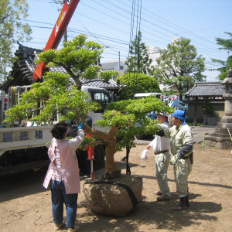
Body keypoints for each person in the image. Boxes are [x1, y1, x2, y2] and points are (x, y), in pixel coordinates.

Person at [43, 121, 85, 232]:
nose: (69, 131)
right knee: (70, 203)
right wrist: (80, 129)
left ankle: (58, 224)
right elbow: (80, 138)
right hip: (67, 179)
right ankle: (70, 227)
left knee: (56, 202)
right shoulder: (70, 144)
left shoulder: (53, 142)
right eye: (67, 130)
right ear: (65, 134)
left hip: (54, 179)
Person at [156, 110, 193, 211]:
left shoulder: (186, 129)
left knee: (181, 181)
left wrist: (178, 156)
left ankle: (182, 204)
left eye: (172, 117)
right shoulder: (175, 128)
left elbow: (189, 146)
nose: (171, 119)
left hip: (183, 160)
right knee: (180, 180)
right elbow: (164, 133)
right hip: (178, 160)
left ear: (177, 119)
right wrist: (150, 128)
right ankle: (186, 203)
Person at [144, 113, 171, 201]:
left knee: (161, 175)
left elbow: (154, 128)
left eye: (160, 116)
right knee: (159, 174)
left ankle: (166, 194)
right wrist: (149, 145)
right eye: (157, 115)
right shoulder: (160, 127)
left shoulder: (164, 127)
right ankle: (162, 189)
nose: (157, 117)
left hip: (162, 154)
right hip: (159, 154)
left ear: (166, 118)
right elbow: (156, 138)